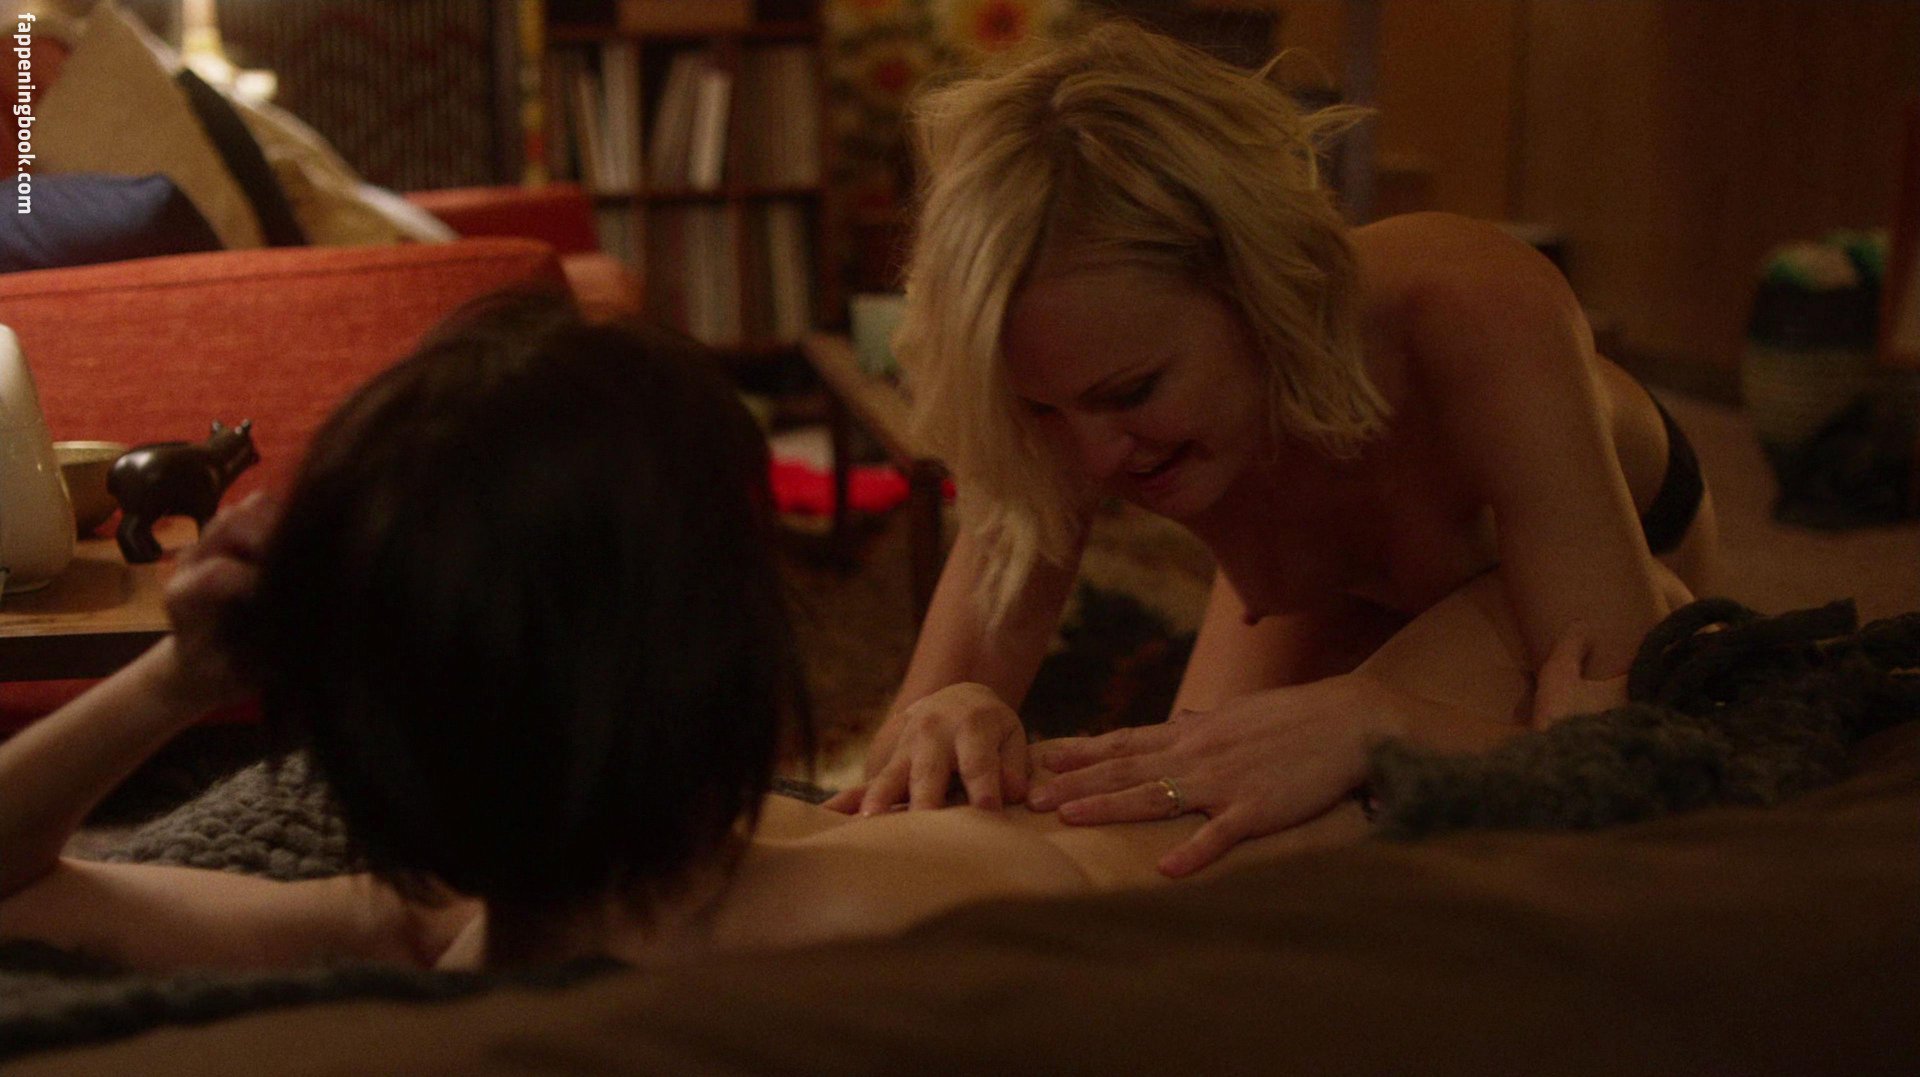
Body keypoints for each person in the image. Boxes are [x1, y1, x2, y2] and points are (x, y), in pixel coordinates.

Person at [0, 295, 1601, 972]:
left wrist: (180, 679)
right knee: (1589, 590)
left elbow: (23, 883)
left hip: (1188, 777)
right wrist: (1412, 726)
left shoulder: (453, 914)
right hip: (1337, 812)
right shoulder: (834, 942)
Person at [823, 20, 1719, 877]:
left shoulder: (1473, 311)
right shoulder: (1060, 366)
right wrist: (952, 714)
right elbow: (892, 774)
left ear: (1255, 286)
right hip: (1329, 563)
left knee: (1291, 851)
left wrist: (1382, 725)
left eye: (1131, 393)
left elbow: (1626, 761)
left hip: (1616, 558)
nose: (1091, 461)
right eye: (1043, 409)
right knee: (1168, 835)